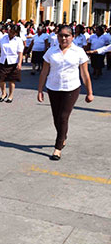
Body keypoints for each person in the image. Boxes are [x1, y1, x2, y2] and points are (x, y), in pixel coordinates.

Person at [37, 25, 94, 161]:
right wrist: (40, 90)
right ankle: (63, 136)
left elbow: (85, 74)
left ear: (72, 37)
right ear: (57, 36)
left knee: (63, 117)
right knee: (56, 118)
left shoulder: (79, 52)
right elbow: (44, 72)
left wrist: (90, 92)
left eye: (67, 35)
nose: (64, 38)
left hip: (72, 88)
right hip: (53, 87)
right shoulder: (51, 51)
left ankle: (57, 148)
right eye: (61, 35)